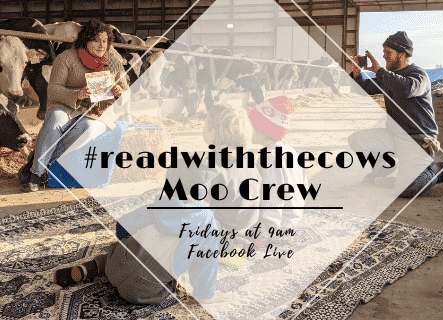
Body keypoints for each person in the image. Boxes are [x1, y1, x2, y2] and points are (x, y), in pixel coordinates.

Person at [53, 104, 262, 304]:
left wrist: (129, 240)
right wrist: (205, 293)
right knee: (182, 257)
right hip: (149, 291)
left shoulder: (173, 192)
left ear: (213, 133)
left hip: (125, 260)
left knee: (134, 246)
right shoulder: (247, 173)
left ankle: (95, 267)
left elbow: (125, 224)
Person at [349, 31, 443, 198]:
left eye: (388, 52)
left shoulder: (418, 75)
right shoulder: (388, 78)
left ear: (401, 54)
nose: (384, 56)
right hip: (394, 136)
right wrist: (357, 75)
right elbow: (365, 90)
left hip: (417, 140)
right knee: (357, 140)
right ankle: (385, 166)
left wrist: (380, 70)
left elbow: (406, 88)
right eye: (384, 52)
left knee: (408, 189)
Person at [20, 20, 126, 192]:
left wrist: (118, 92)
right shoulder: (66, 58)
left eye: (105, 41)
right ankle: (36, 174)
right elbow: (53, 90)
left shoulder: (112, 61)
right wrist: (77, 94)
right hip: (66, 106)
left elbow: (124, 91)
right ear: (85, 40)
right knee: (54, 121)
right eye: (96, 40)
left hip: (94, 112)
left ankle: (41, 164)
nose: (101, 45)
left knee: (88, 128)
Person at [248, 96, 308, 240]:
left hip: (278, 226)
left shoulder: (269, 157)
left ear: (261, 130)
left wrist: (266, 230)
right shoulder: (290, 151)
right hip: (292, 218)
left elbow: (273, 196)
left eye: (250, 124)